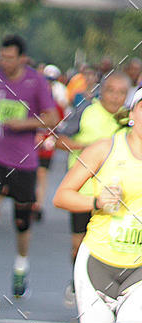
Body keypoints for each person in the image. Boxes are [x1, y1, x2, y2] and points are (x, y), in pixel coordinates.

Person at [53, 86, 142, 323]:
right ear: (132, 114)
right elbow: (62, 196)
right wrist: (97, 201)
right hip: (97, 264)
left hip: (139, 270)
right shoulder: (104, 149)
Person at [0, 35, 58, 299]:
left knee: (21, 221)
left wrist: (24, 123)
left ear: (23, 58)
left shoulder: (36, 82)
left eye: (10, 57)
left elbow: (52, 118)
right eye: (2, 56)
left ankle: (20, 266)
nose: (5, 62)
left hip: (23, 162)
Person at [55, 71, 130, 304]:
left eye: (121, 93)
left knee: (111, 242)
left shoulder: (130, 118)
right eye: (111, 91)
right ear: (101, 91)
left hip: (117, 196)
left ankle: (111, 290)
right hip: (83, 192)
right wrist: (86, 147)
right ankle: (78, 281)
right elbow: (59, 140)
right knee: (79, 245)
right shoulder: (86, 111)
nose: (115, 97)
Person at [33, 65, 66, 222]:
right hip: (30, 146)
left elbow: (60, 126)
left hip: (46, 147)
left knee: (41, 174)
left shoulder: (56, 106)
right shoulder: (33, 101)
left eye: (51, 82)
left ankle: (38, 206)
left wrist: (51, 138)